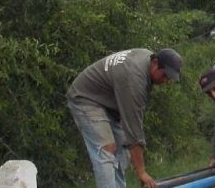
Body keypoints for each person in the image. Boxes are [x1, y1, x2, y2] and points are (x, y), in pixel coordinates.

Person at [66, 48, 183, 188]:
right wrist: (142, 172)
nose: (166, 81)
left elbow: (131, 129)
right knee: (107, 149)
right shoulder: (134, 78)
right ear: (155, 62)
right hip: (86, 98)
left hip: (109, 105)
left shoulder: (146, 58)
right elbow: (134, 130)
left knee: (123, 151)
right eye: (164, 75)